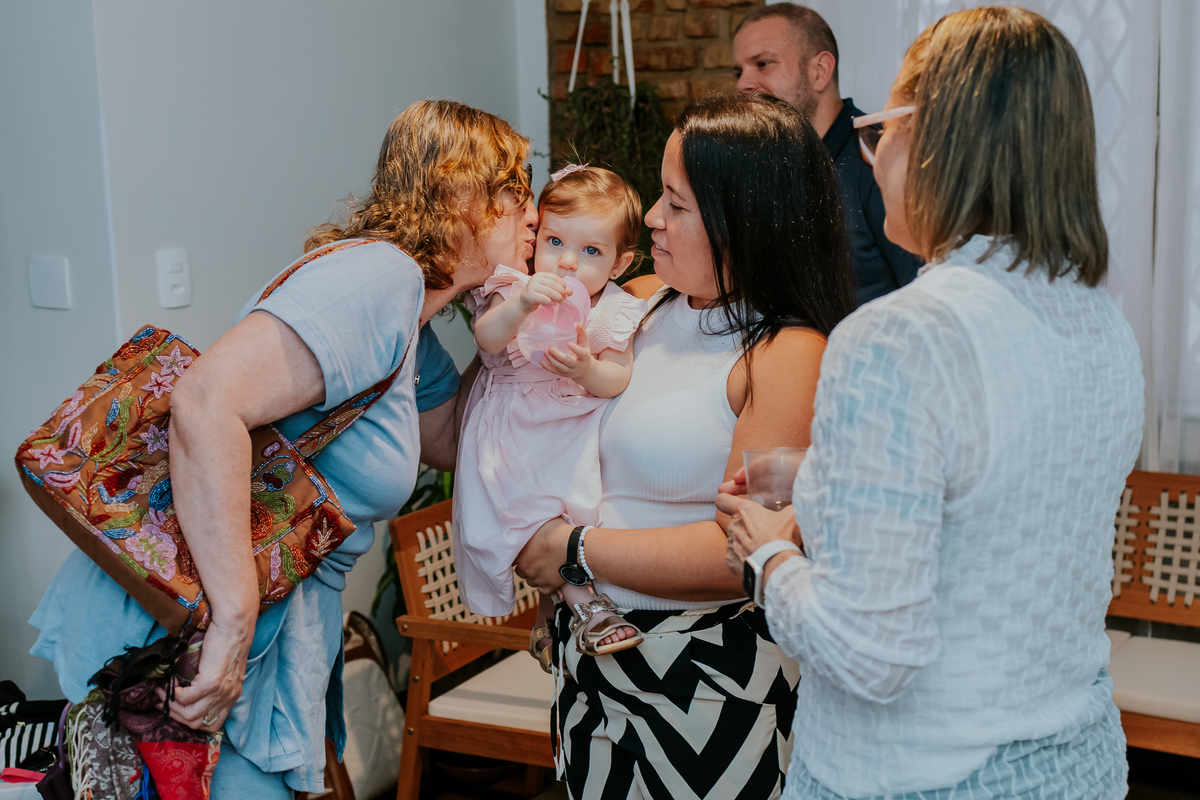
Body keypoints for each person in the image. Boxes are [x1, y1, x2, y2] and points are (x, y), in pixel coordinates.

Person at [27, 99, 537, 797]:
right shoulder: (378, 278)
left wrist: (512, 332)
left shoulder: (413, 328)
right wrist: (233, 620)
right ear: (459, 196)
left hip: (264, 628)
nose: (533, 214)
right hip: (190, 626)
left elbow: (452, 440)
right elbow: (206, 402)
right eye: (517, 191)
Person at [719, 8, 1143, 799]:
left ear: (942, 142)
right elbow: (999, 493)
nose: (873, 156)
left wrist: (768, 554)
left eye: (885, 129)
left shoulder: (896, 337)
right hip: (1073, 761)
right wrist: (829, 475)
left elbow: (871, 654)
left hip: (920, 775)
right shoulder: (1099, 321)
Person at [514, 93, 857, 800]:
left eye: (675, 203)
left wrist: (574, 550)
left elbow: (746, 554)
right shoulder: (640, 302)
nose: (649, 218)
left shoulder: (788, 353)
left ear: (742, 222)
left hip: (708, 683)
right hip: (595, 668)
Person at [453, 164, 649, 663]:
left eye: (590, 252)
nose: (566, 263)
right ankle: (586, 607)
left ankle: (553, 610)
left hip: (570, 427)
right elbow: (487, 338)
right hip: (513, 428)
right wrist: (519, 305)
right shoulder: (515, 287)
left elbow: (617, 376)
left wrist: (587, 371)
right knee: (527, 513)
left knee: (575, 512)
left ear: (620, 263)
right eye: (555, 241)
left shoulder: (616, 310)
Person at [733, 2, 922, 307]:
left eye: (763, 63)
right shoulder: (757, 166)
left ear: (820, 71)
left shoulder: (880, 156)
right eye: (738, 71)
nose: (743, 84)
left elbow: (929, 294)